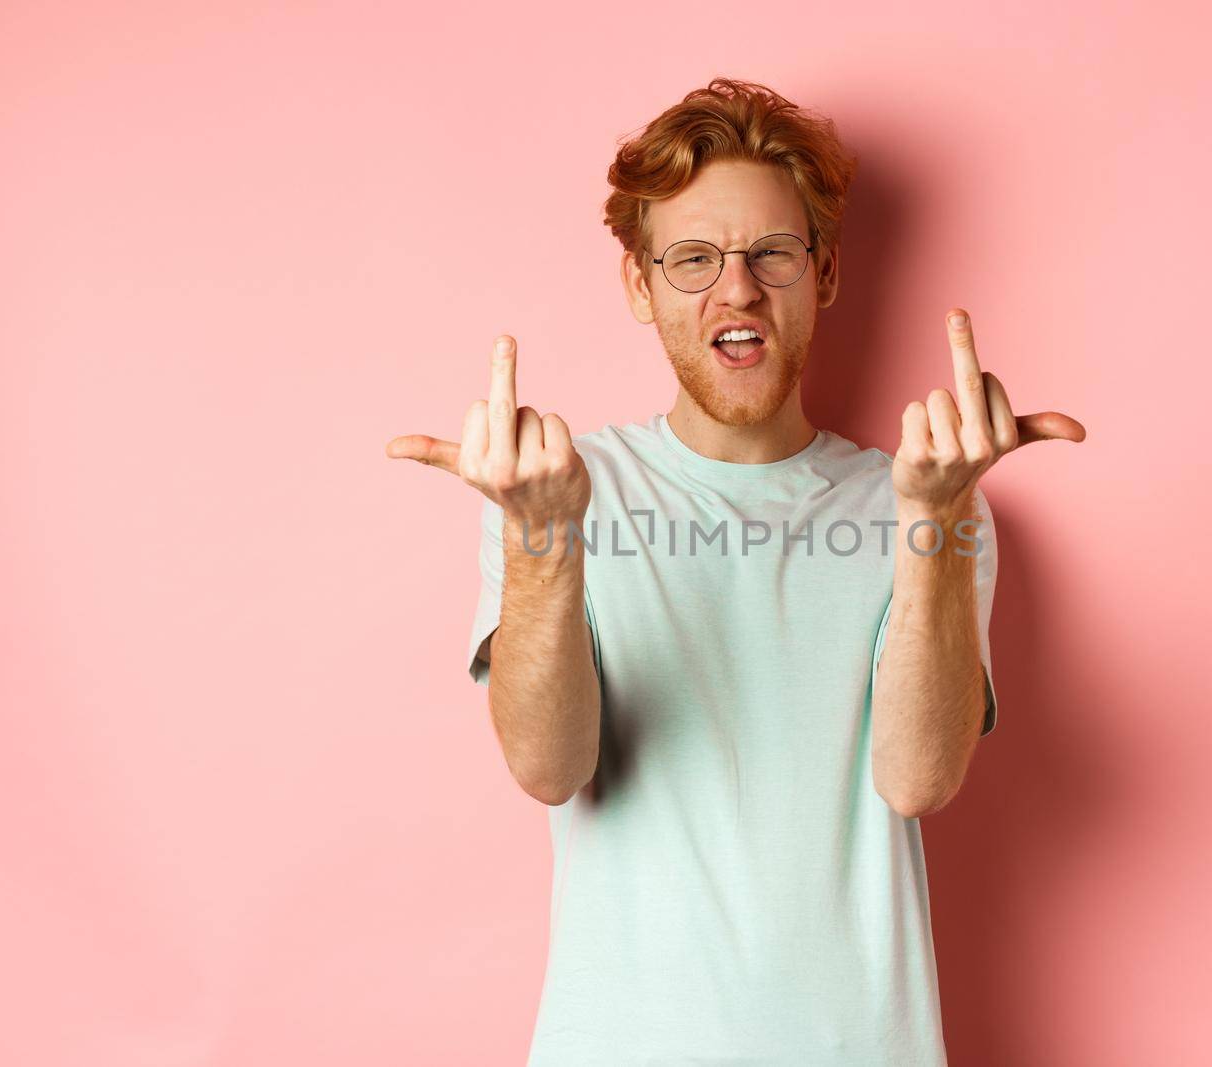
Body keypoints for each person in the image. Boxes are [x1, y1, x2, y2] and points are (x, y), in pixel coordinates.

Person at [386, 77, 1084, 1067]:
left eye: (771, 253)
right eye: (694, 258)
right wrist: (544, 536)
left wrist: (929, 516)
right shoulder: (554, 491)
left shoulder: (930, 498)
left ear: (824, 272)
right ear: (640, 285)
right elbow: (549, 765)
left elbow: (919, 778)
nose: (738, 288)